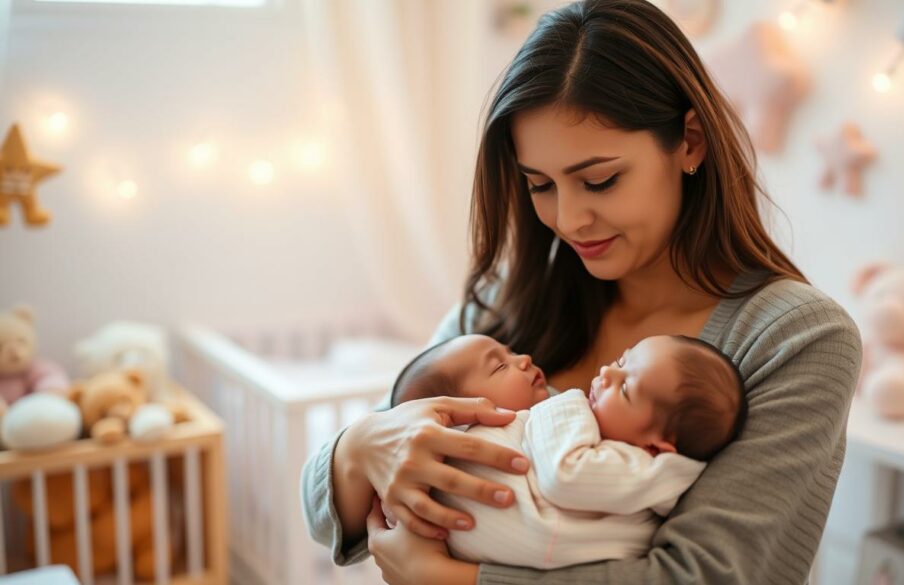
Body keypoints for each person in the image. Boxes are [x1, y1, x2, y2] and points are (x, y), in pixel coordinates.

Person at [300, 0, 863, 583]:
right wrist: (361, 446)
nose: (568, 220)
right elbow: (325, 513)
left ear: (690, 143)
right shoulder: (507, 302)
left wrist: (459, 581)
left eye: (600, 180)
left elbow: (705, 574)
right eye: (540, 185)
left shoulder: (796, 339)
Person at [385, 333, 745, 569]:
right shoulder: (457, 444)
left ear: (654, 445)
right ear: (455, 414)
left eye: (624, 387)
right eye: (501, 365)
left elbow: (567, 474)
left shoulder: (593, 442)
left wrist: (567, 403)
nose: (524, 357)